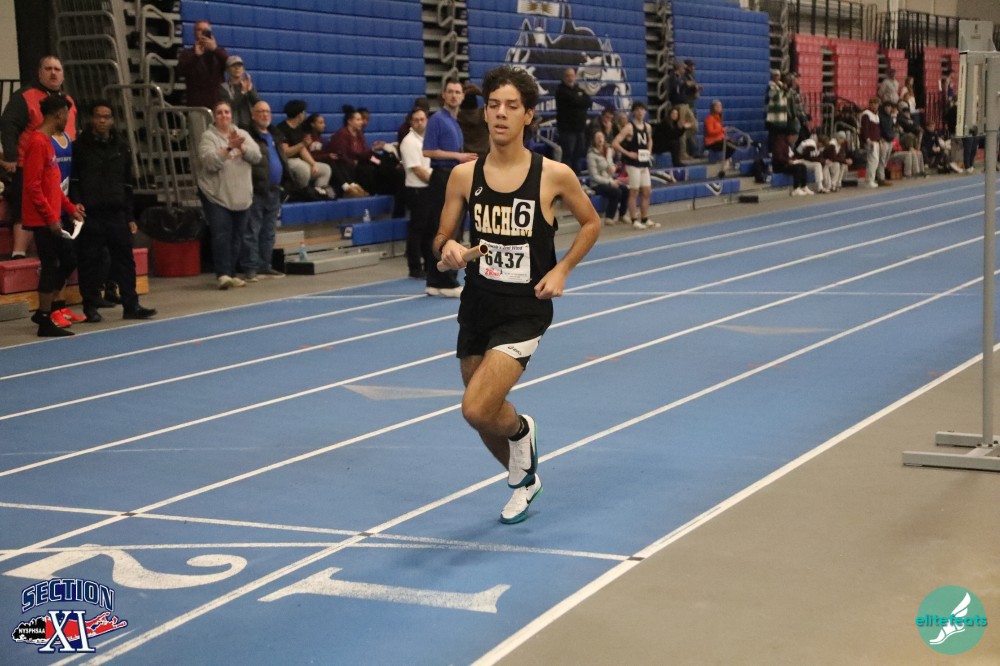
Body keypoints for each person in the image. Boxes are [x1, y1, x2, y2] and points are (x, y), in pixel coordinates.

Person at [434, 64, 601, 524]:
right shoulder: (464, 176)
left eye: (511, 106)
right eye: (493, 106)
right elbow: (442, 236)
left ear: (528, 115)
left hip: (525, 310)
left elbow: (591, 223)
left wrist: (563, 269)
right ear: (485, 113)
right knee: (483, 413)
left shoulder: (553, 175)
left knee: (476, 408)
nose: (501, 114)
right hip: (477, 305)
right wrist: (448, 249)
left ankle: (522, 431)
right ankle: (525, 479)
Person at [71, 100, 156, 322]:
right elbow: (75, 181)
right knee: (89, 262)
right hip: (91, 214)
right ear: (91, 119)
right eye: (98, 116)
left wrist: (130, 216)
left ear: (112, 120)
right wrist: (76, 204)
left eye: (106, 117)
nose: (102, 120)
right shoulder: (79, 147)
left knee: (125, 261)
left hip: (117, 213)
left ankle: (131, 305)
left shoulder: (122, 146)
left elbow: (127, 184)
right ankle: (90, 306)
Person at [0, 56, 78, 261]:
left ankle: (46, 256)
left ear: (63, 75)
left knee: (57, 210)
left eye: (57, 69)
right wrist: (11, 156)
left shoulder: (69, 102)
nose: (53, 73)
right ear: (39, 72)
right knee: (25, 210)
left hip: (63, 166)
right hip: (30, 164)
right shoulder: (24, 96)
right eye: (48, 68)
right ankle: (19, 255)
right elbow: (8, 125)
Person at [22, 95, 86, 336]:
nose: (68, 119)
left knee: (67, 260)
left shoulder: (47, 142)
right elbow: (33, 186)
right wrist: (50, 218)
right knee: (51, 265)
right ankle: (44, 316)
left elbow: (54, 184)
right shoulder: (38, 143)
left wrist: (70, 209)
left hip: (52, 214)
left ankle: (46, 311)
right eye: (66, 114)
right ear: (59, 114)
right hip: (42, 219)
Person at [422, 79, 478, 298]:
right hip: (442, 176)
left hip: (453, 174)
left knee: (453, 228)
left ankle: (438, 280)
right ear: (443, 95)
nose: (454, 95)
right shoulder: (437, 119)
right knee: (445, 229)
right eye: (451, 92)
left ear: (463, 96)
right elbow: (428, 151)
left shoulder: (454, 121)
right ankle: (443, 280)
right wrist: (458, 156)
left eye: (458, 92)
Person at [196, 100, 261, 289]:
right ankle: (223, 274)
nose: (223, 115)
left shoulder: (242, 134)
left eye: (227, 112)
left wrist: (242, 148)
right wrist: (229, 148)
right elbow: (209, 163)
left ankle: (232, 272)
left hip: (241, 195)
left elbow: (257, 156)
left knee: (237, 235)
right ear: (214, 117)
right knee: (221, 235)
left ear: (232, 115)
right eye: (219, 112)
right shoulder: (208, 137)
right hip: (216, 195)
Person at [243, 100, 288, 281]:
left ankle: (265, 265)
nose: (264, 115)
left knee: (269, 231)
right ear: (253, 115)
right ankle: (251, 267)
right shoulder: (248, 135)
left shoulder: (274, 135)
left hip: (274, 189)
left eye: (267, 112)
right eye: (260, 112)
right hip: (256, 189)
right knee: (252, 230)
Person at [611, 101, 659, 230]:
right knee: (634, 192)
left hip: (644, 163)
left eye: (642, 109)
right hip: (633, 164)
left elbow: (650, 140)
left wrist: (649, 151)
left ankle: (645, 218)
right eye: (637, 110)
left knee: (647, 192)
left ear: (645, 111)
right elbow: (615, 143)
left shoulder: (647, 127)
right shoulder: (629, 127)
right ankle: (634, 219)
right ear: (633, 112)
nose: (640, 112)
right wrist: (628, 153)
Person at [399, 107, 433, 279]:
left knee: (429, 230)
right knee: (417, 230)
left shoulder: (427, 139)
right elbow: (417, 170)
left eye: (422, 119)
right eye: (416, 120)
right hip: (417, 189)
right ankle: (414, 266)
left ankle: (428, 264)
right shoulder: (409, 142)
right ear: (411, 122)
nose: (420, 122)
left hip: (427, 189)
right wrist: (436, 183)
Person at [276, 99, 333, 199]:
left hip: (299, 160)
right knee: (303, 169)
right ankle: (300, 196)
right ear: (300, 114)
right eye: (304, 112)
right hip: (287, 161)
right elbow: (285, 152)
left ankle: (317, 194)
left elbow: (302, 150)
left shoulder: (299, 128)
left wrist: (313, 163)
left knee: (325, 169)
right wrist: (302, 144)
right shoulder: (281, 128)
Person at [177, 20, 228, 108]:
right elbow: (180, 71)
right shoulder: (187, 53)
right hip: (197, 104)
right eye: (199, 29)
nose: (202, 32)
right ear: (194, 33)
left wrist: (215, 49)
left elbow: (229, 64)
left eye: (205, 30)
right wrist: (195, 56)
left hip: (217, 104)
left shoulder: (218, 53)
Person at [586, 130, 628, 226]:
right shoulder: (591, 155)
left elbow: (610, 163)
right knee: (616, 192)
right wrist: (610, 182)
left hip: (610, 180)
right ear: (594, 140)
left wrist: (613, 167)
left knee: (625, 189)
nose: (600, 139)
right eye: (597, 138)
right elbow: (594, 176)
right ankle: (609, 217)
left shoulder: (608, 151)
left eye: (601, 137)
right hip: (597, 184)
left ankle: (622, 215)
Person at [554, 67, 591, 173]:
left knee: (579, 154)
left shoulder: (579, 90)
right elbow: (573, 100)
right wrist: (579, 100)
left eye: (572, 76)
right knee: (568, 155)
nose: (570, 78)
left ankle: (577, 177)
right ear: (564, 77)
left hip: (580, 129)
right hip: (567, 131)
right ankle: (567, 178)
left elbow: (588, 101)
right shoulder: (560, 91)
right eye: (568, 76)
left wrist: (578, 100)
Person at [217, 55, 260, 129]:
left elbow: (258, 104)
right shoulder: (223, 87)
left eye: (239, 66)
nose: (237, 68)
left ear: (243, 69)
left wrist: (250, 91)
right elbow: (229, 107)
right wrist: (242, 92)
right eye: (233, 66)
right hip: (233, 126)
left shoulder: (249, 85)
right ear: (227, 70)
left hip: (251, 126)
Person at [703, 100, 739, 176]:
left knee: (733, 143)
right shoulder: (709, 119)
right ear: (713, 108)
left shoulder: (718, 119)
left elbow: (719, 133)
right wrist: (722, 130)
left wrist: (725, 136)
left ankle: (727, 160)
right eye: (718, 106)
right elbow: (710, 132)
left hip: (718, 140)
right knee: (730, 145)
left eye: (720, 106)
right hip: (711, 142)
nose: (720, 108)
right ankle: (726, 161)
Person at [771, 130, 811, 196]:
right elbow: (778, 157)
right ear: (790, 136)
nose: (794, 140)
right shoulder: (780, 143)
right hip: (779, 165)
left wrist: (794, 160)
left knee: (802, 166)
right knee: (797, 168)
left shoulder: (787, 143)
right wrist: (788, 161)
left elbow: (789, 155)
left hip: (786, 163)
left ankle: (803, 186)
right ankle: (796, 188)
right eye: (794, 138)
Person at [457, 82, 489, 158]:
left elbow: (443, 102)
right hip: (484, 155)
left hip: (465, 156)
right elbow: (493, 102)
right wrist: (480, 92)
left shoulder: (458, 116)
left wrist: (461, 93)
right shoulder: (484, 114)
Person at [859, 96, 882, 188]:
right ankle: (869, 180)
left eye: (877, 104)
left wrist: (879, 140)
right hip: (871, 141)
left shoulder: (876, 115)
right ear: (870, 104)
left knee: (875, 161)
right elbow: (865, 128)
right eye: (874, 104)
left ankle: (871, 179)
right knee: (872, 161)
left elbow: (877, 130)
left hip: (876, 141)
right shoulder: (866, 114)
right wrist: (867, 139)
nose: (876, 106)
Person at [765, 68, 789, 155]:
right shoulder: (770, 86)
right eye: (775, 75)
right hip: (773, 117)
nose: (777, 77)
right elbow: (775, 97)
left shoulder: (781, 85)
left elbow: (786, 96)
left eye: (778, 76)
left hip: (781, 117)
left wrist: (785, 90)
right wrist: (783, 90)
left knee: (780, 136)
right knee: (773, 135)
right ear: (772, 77)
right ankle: (770, 151)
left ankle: (778, 151)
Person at [682, 59, 703, 157]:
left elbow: (695, 93)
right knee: (691, 127)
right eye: (691, 66)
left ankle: (694, 149)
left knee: (694, 128)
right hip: (686, 105)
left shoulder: (691, 76)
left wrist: (697, 90)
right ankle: (693, 150)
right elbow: (684, 86)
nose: (693, 68)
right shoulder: (683, 76)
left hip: (692, 104)